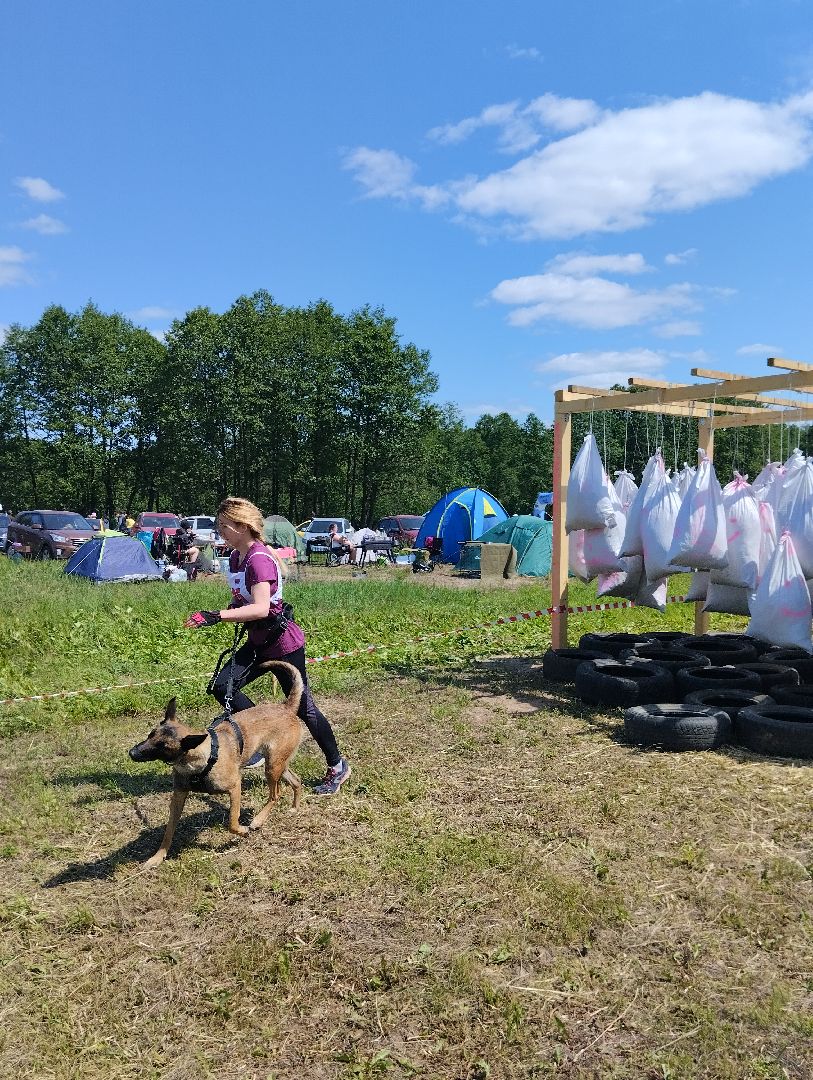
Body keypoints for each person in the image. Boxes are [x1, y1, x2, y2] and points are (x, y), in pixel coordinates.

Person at [183, 496, 352, 794]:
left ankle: (338, 766)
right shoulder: (236, 557)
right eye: (219, 526)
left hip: (283, 644)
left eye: (225, 526)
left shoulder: (259, 560)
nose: (220, 532)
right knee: (223, 687)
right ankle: (260, 738)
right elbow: (245, 601)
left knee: (303, 708)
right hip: (257, 642)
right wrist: (232, 609)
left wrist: (217, 616)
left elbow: (261, 608)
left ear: (243, 526)